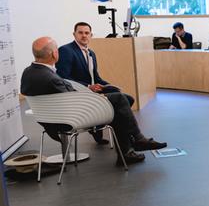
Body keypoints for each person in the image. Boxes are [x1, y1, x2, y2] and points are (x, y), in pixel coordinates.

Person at [27, 36, 165, 165]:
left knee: (121, 103)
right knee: (120, 99)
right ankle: (136, 141)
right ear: (54, 54)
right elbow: (71, 100)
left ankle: (128, 151)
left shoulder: (29, 73)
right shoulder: (50, 77)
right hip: (70, 117)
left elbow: (65, 97)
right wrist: (98, 99)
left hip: (52, 116)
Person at [56, 22, 154, 145]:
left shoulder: (91, 53)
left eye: (87, 33)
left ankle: (100, 126)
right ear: (74, 34)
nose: (84, 35)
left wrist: (109, 85)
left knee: (127, 98)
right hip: (79, 94)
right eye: (80, 32)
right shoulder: (66, 50)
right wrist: (88, 87)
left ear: (91, 35)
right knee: (120, 101)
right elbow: (63, 78)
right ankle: (129, 139)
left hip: (93, 90)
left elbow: (96, 77)